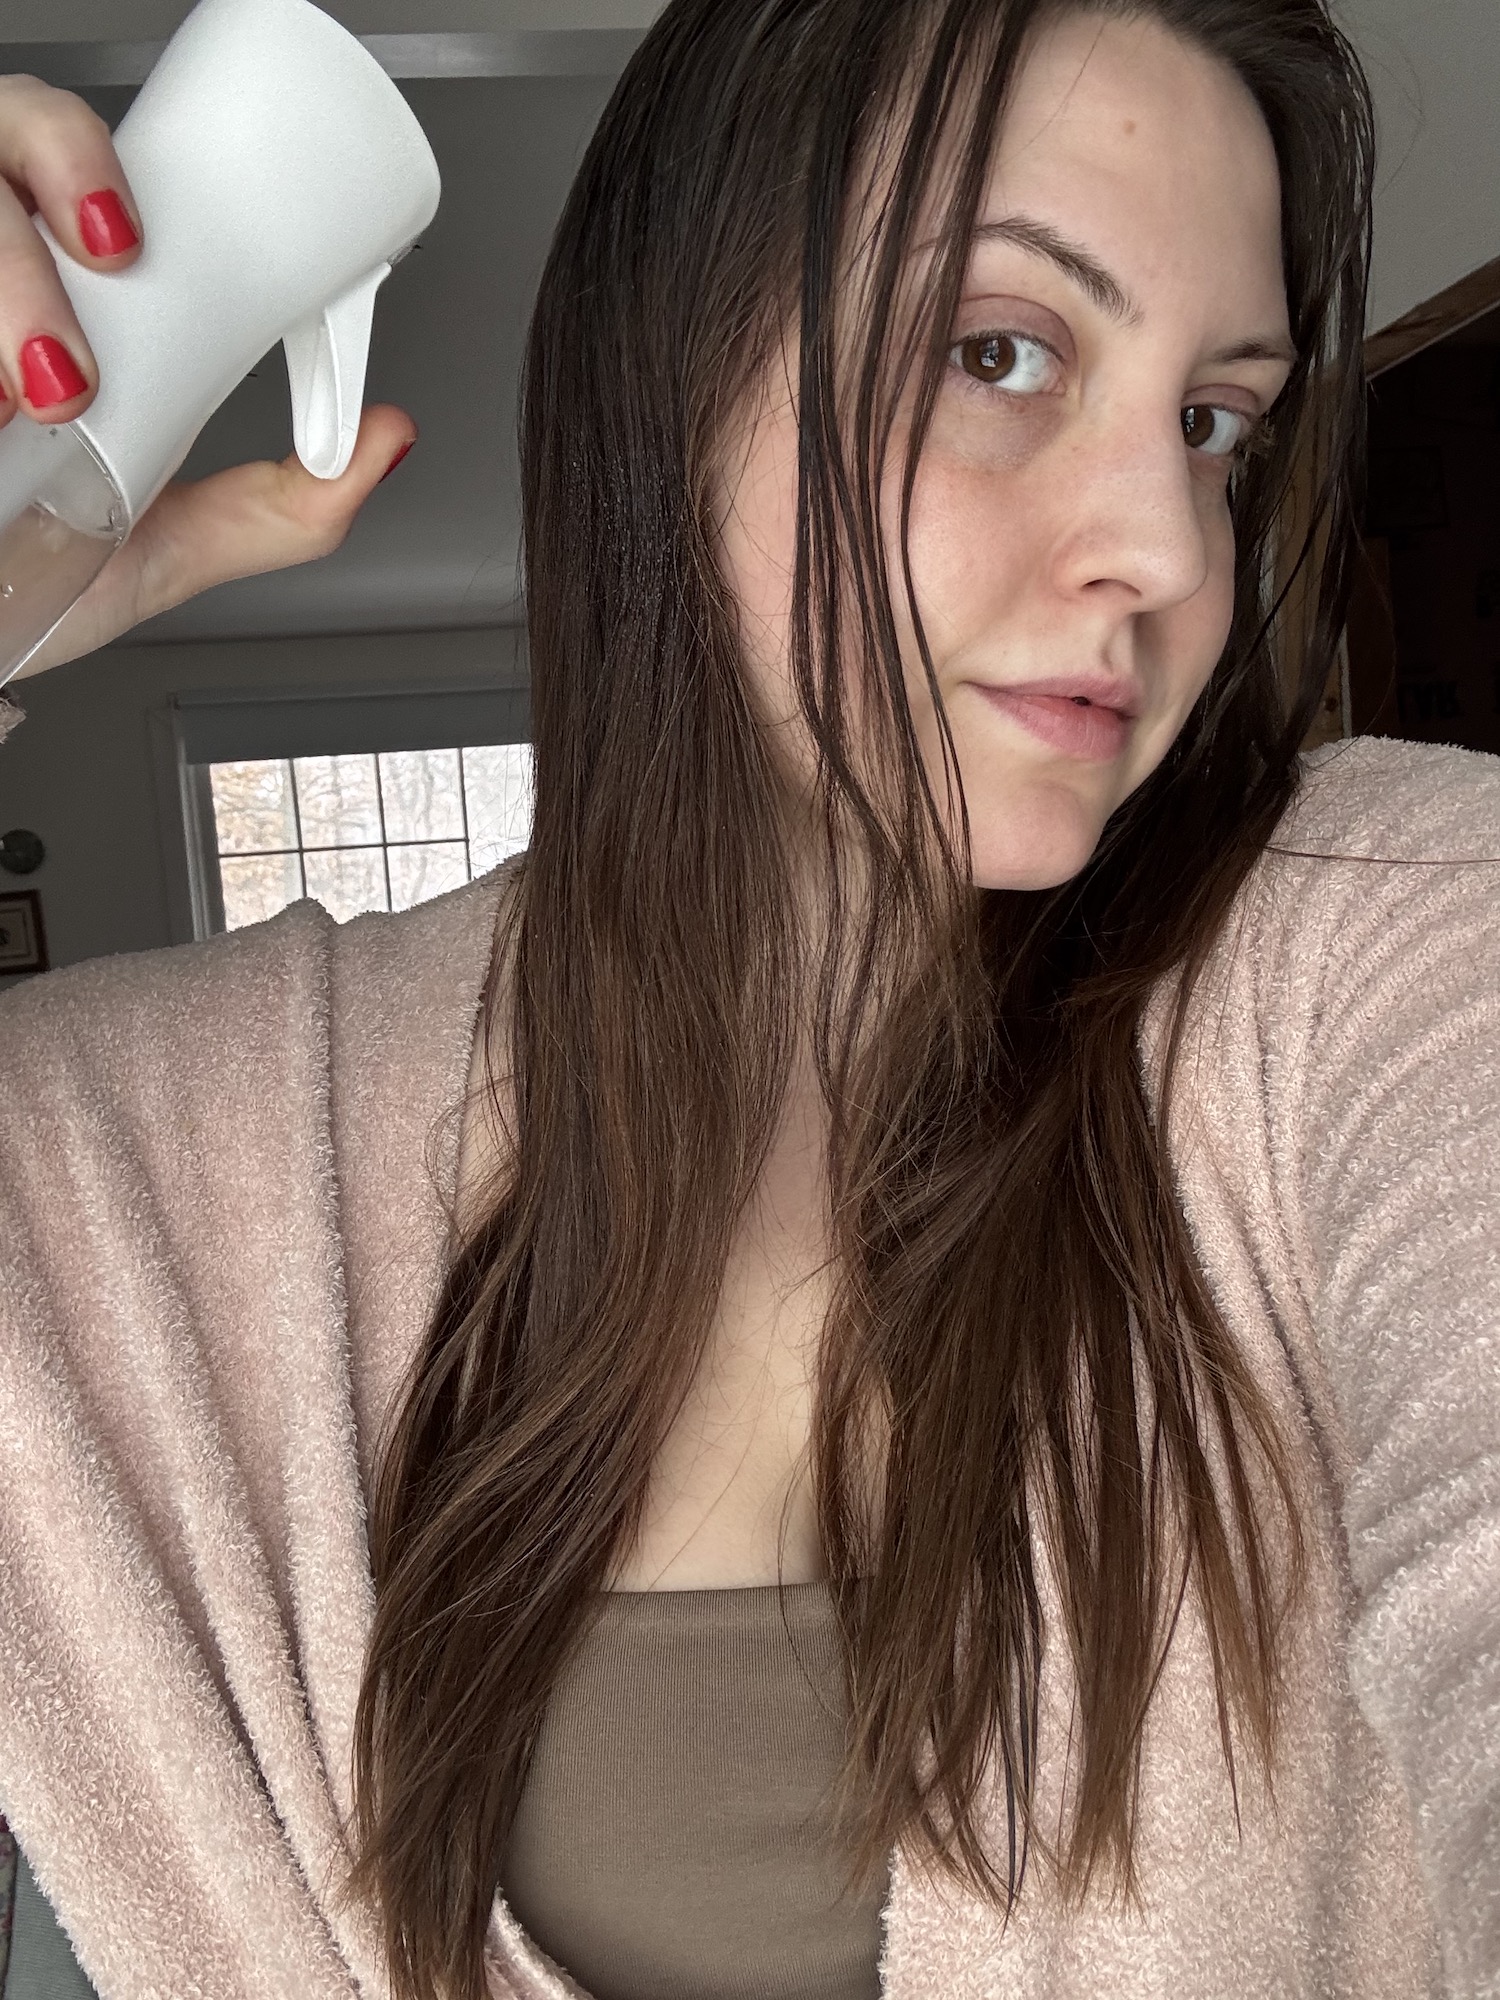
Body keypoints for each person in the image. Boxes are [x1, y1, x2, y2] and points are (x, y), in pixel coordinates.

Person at [0, 2, 1496, 1998]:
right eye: (1003, 353)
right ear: (665, 379)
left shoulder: (1384, 940)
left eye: (1214, 422)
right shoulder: (140, 1169)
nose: (1164, 551)